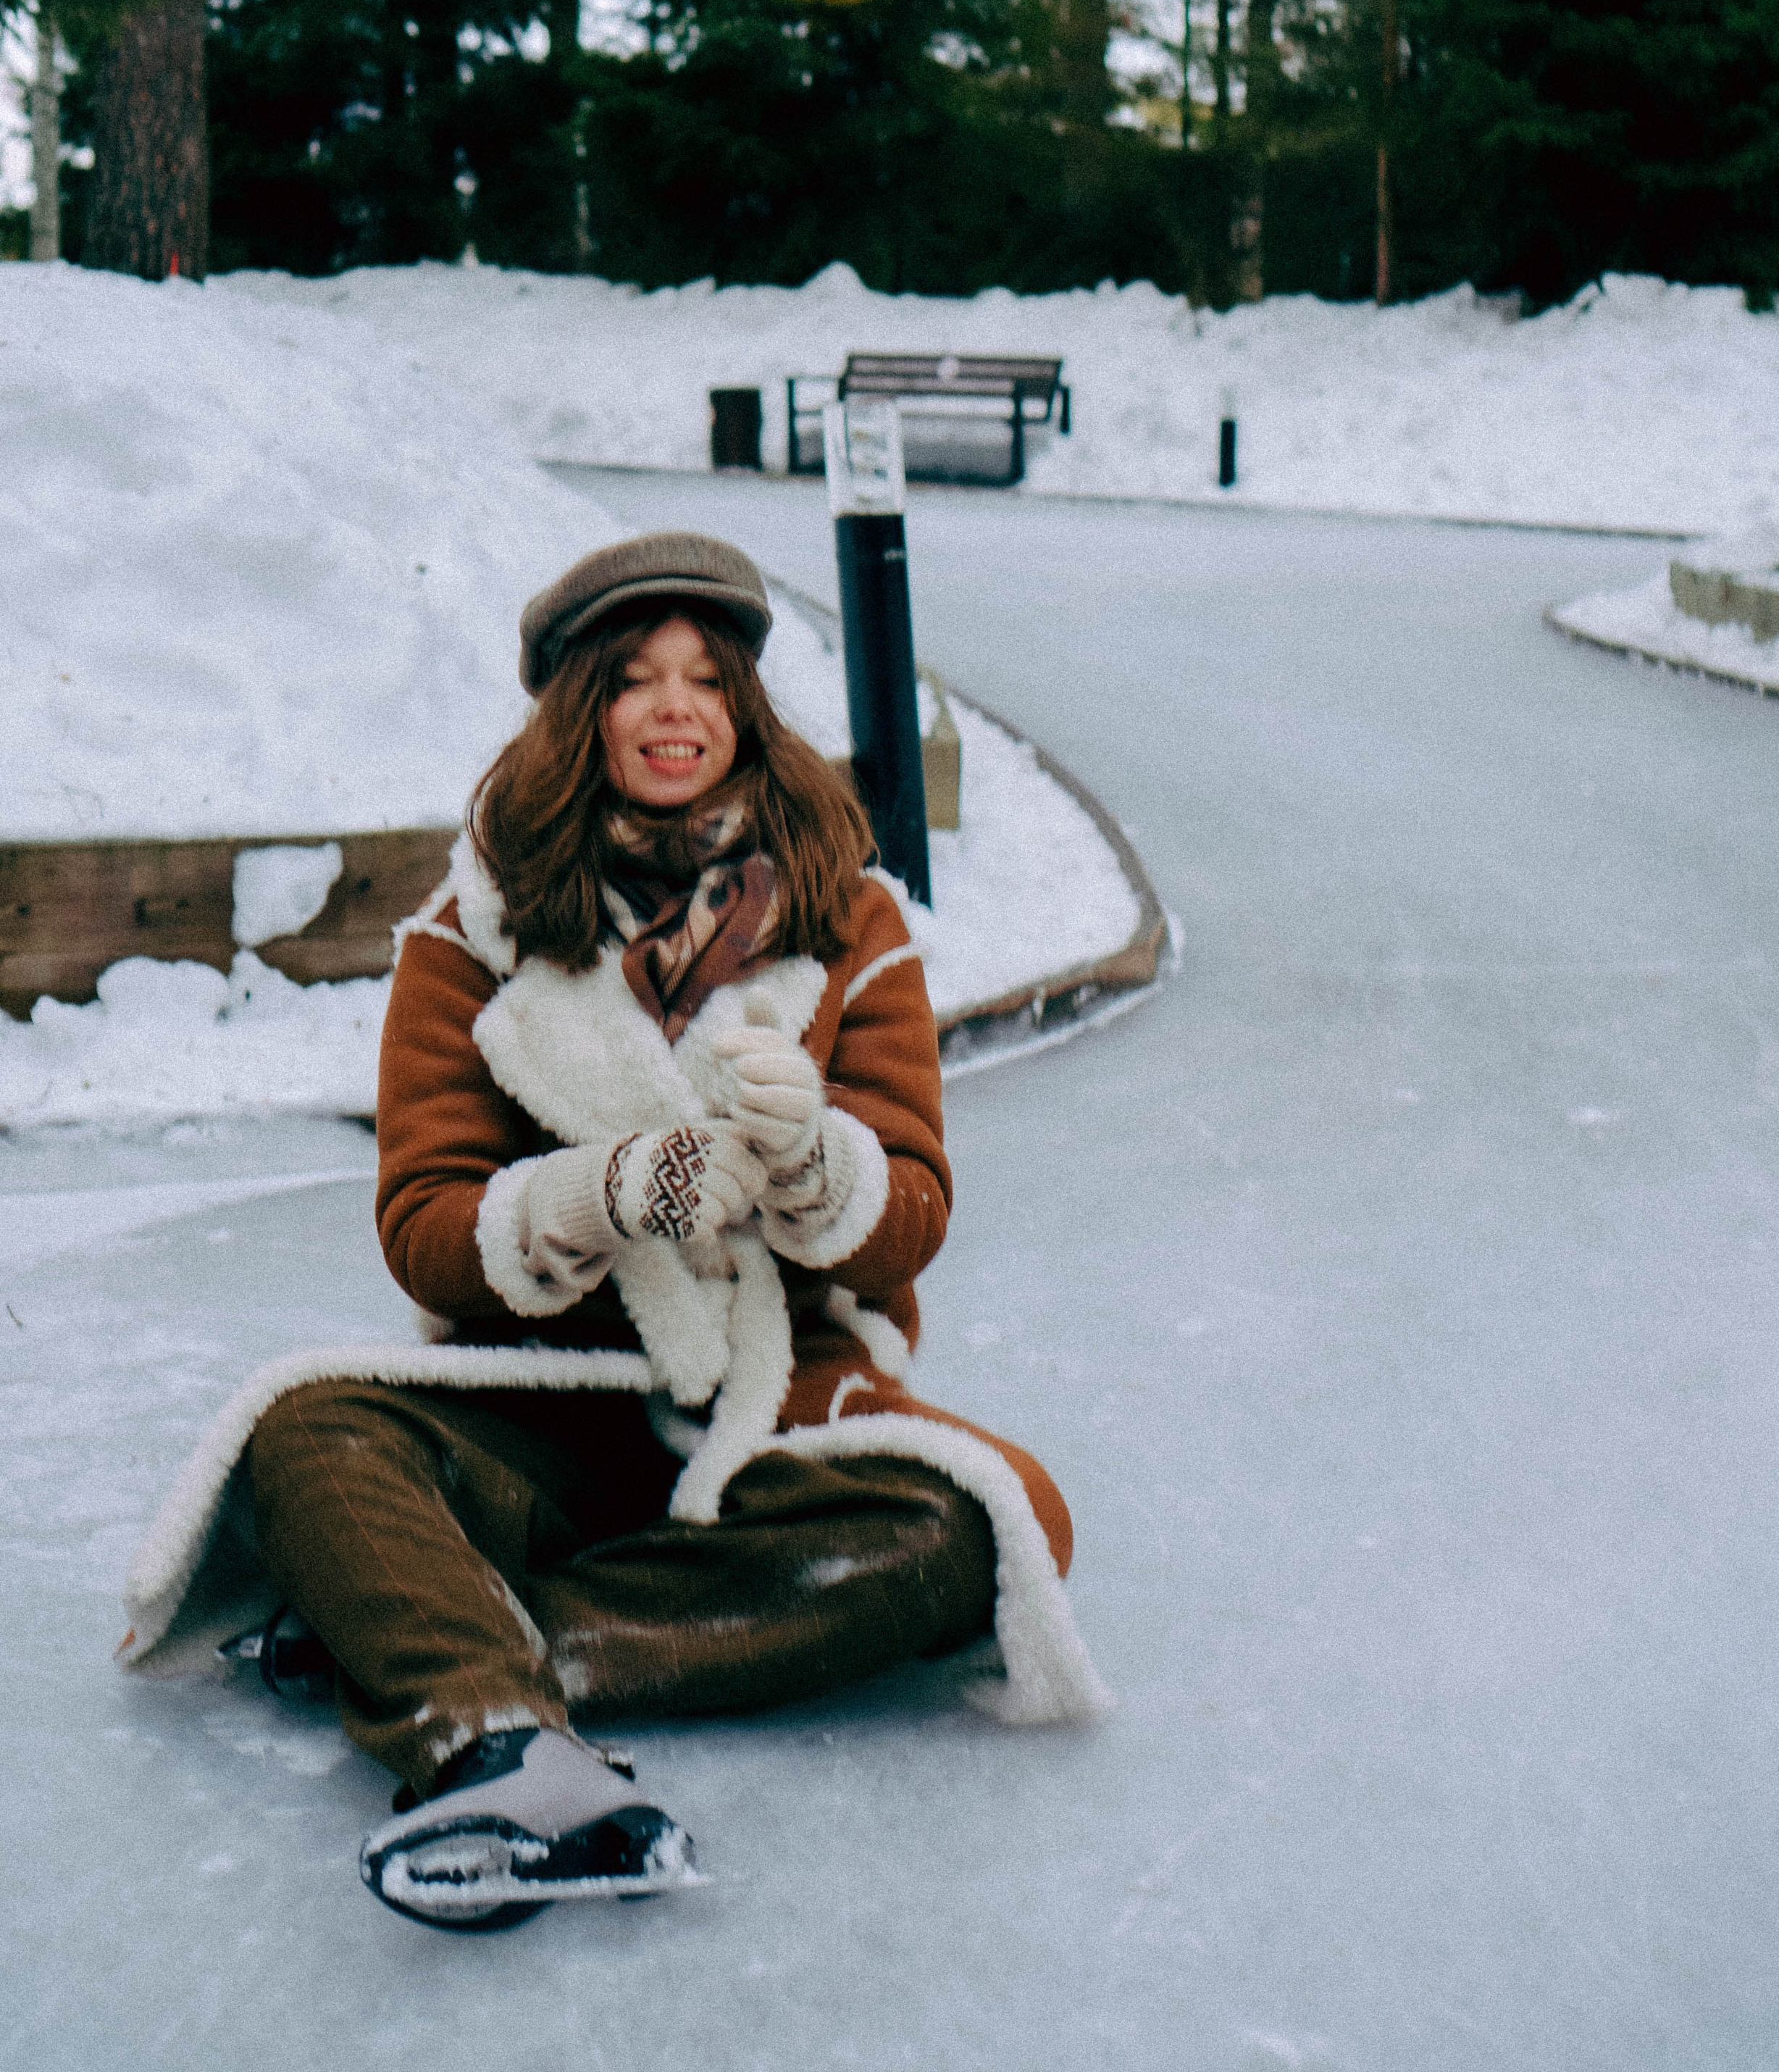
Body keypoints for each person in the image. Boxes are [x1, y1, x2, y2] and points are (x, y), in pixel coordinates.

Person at [119, 532, 1102, 1931]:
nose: (677, 710)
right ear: (576, 708)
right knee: (305, 1432)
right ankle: (499, 1748)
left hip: (776, 1417)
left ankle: (442, 1640)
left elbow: (914, 1209)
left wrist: (818, 1165)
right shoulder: (466, 938)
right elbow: (424, 1227)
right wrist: (598, 1195)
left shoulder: (849, 914)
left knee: (995, 1520)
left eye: (709, 678)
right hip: (547, 1408)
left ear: (748, 706)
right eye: (636, 679)